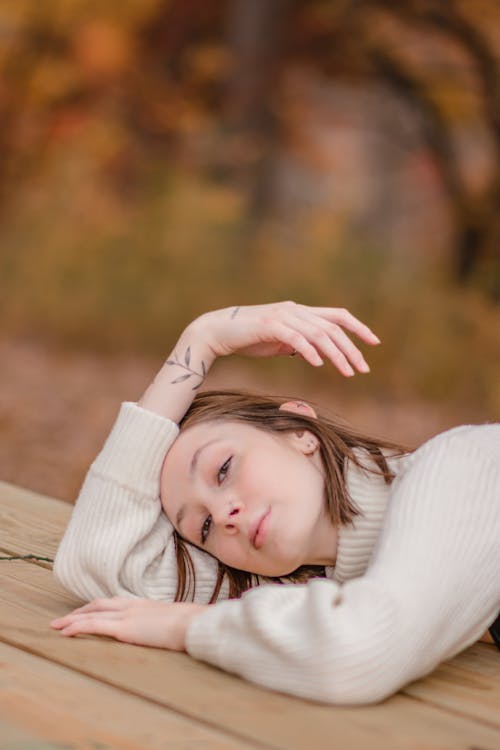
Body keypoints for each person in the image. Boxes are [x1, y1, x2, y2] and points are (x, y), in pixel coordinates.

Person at [51, 302, 500, 705]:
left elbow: (358, 652)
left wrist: (184, 626)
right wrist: (199, 341)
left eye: (223, 469)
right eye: (202, 527)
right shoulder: (314, 592)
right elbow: (98, 564)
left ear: (298, 428)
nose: (224, 514)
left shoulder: (464, 468)